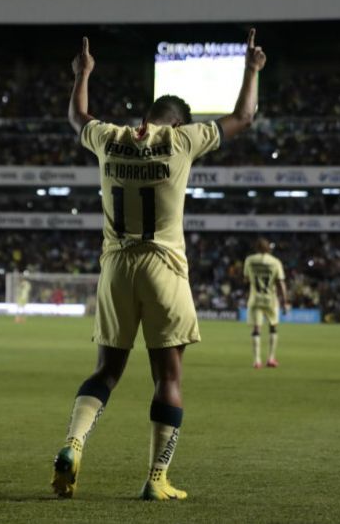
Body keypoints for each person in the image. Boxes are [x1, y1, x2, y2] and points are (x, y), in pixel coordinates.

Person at [50, 29, 267, 500]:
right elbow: (245, 116)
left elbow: (76, 116)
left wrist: (83, 74)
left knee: (106, 371)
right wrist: (251, 70)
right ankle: (155, 479)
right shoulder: (183, 141)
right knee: (167, 376)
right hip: (164, 267)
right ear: (179, 122)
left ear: (145, 117)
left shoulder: (110, 138)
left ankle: (73, 444)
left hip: (115, 267)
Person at [243, 238, 288, 368]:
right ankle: (271, 358)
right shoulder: (275, 262)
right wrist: (285, 301)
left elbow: (246, 279)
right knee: (273, 326)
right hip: (271, 299)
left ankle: (257, 361)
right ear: (269, 248)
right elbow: (281, 283)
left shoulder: (250, 260)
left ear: (256, 247)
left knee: (256, 329)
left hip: (255, 298)